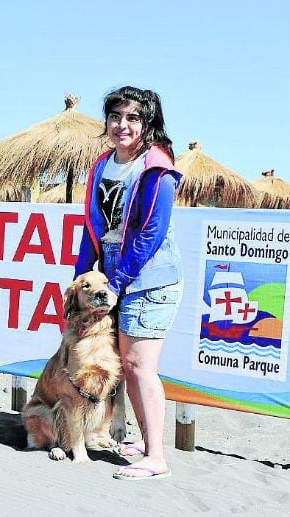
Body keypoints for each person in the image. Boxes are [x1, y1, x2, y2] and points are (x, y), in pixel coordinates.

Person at [74, 86, 183, 480]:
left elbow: (150, 233)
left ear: (148, 123)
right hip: (114, 276)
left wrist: (117, 281)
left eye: (133, 118)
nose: (123, 125)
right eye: (116, 116)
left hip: (149, 278)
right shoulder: (102, 164)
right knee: (127, 363)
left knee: (139, 365)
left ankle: (157, 457)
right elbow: (92, 228)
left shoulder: (156, 167)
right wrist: (80, 280)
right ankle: (147, 442)